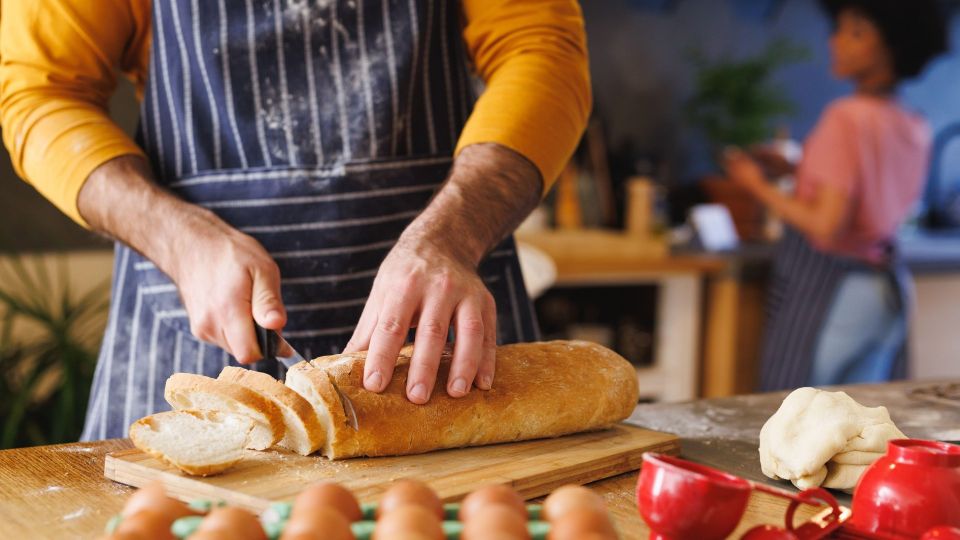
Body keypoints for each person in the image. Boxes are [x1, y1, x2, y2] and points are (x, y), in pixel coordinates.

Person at [0, 0, 591, 440]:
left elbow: (539, 49)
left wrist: (454, 235)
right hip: (192, 311)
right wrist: (177, 239)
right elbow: (41, 92)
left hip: (444, 308)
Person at [724, 0, 947, 390]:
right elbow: (866, 192)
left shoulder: (846, 116)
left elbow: (827, 226)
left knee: (805, 420)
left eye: (856, 32)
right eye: (839, 29)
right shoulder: (910, 120)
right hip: (884, 291)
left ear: (892, 45)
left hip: (833, 294)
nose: (836, 41)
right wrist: (795, 171)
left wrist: (753, 183)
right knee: (858, 427)